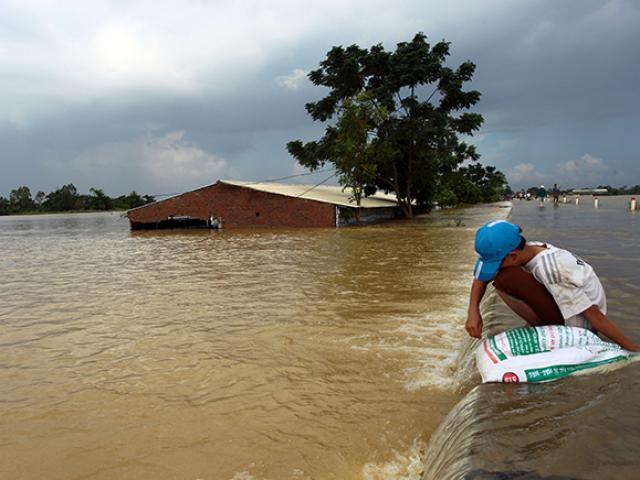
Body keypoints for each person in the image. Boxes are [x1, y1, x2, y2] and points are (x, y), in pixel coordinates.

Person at [465, 220, 638, 351]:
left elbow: (593, 315)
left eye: (496, 263)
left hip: (580, 328)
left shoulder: (551, 269)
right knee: (502, 276)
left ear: (512, 256)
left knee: (506, 278)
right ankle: (537, 325)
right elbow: (480, 277)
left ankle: (542, 327)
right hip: (562, 311)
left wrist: (632, 350)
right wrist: (473, 311)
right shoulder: (530, 248)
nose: (493, 270)